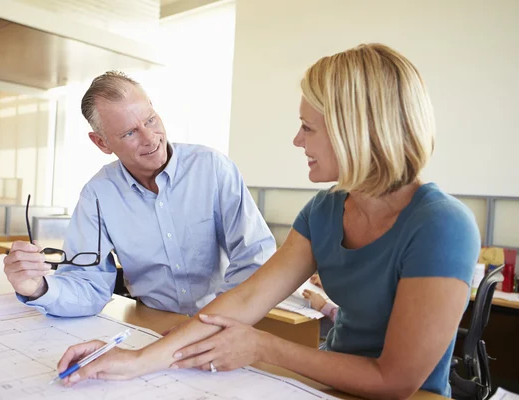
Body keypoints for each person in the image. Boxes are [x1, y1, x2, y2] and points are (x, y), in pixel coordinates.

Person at [55, 44, 480, 399]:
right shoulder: (325, 210)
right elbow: (245, 299)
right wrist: (137, 361)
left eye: (307, 127)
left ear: (354, 130)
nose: (297, 140)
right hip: (326, 382)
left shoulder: (442, 225)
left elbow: (398, 382)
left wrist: (262, 346)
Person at [3, 71, 276, 317]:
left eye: (151, 120)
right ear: (102, 142)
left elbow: (255, 255)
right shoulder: (98, 195)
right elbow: (87, 284)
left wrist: (215, 319)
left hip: (223, 318)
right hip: (151, 323)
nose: (150, 138)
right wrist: (38, 288)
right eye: (130, 132)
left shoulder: (213, 168)